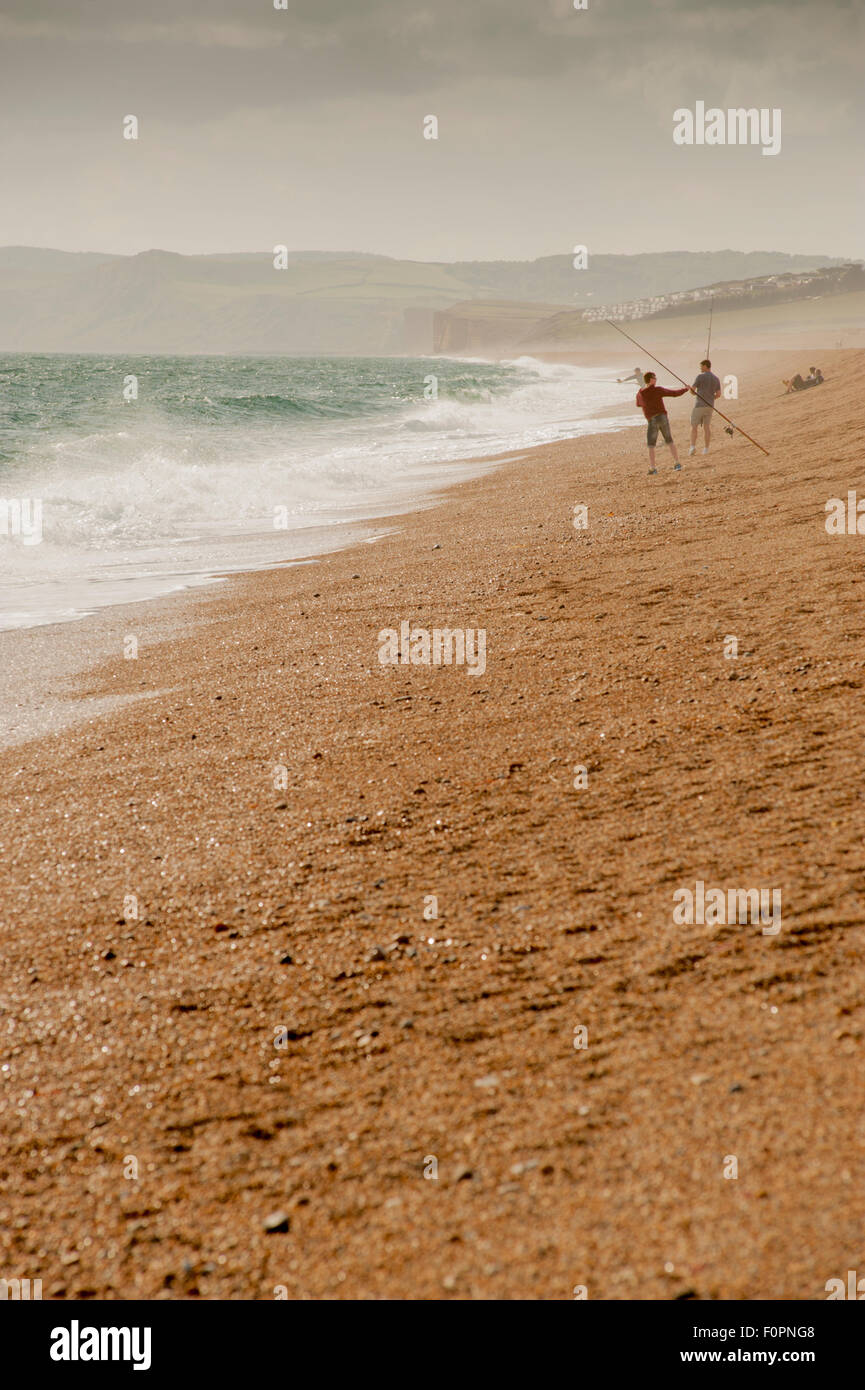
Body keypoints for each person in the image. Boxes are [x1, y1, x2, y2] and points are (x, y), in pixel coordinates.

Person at [635, 371, 692, 474]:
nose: (656, 379)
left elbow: (638, 404)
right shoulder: (658, 390)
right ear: (651, 380)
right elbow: (674, 394)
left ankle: (653, 468)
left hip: (652, 420)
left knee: (651, 445)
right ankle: (677, 463)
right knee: (669, 441)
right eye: (655, 378)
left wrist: (643, 389)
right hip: (661, 418)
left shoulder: (640, 393)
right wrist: (686, 389)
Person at [689, 358, 722, 456]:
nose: (700, 368)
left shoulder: (700, 376)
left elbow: (692, 391)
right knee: (706, 427)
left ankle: (692, 447)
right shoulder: (716, 378)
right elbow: (719, 394)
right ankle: (706, 449)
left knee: (694, 426)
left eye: (701, 366)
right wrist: (711, 399)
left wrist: (691, 390)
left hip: (699, 405)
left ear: (705, 366)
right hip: (710, 406)